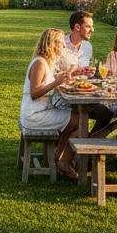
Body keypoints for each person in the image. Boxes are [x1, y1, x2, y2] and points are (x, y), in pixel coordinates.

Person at [20, 28, 78, 179]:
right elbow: (34, 93)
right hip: (34, 115)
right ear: (52, 44)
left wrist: (65, 77)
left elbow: (47, 82)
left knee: (77, 120)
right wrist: (56, 83)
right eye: (62, 43)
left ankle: (58, 156)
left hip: (40, 111)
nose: (64, 46)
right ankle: (62, 160)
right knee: (78, 121)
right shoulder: (39, 63)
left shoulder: (45, 62)